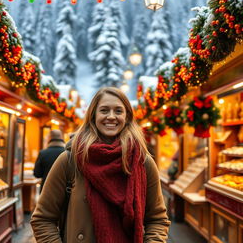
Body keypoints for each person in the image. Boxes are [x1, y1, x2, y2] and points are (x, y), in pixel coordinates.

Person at [31, 87, 170, 242]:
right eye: (104, 110)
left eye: (118, 111)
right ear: (93, 116)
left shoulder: (142, 163)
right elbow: (42, 219)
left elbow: (157, 220)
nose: (111, 117)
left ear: (127, 117)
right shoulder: (71, 160)